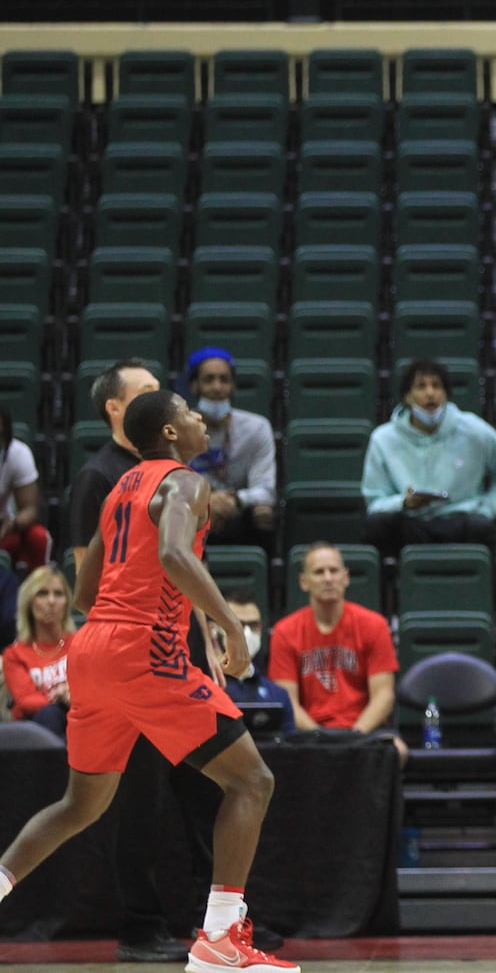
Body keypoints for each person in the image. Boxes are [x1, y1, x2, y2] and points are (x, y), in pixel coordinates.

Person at [0, 390, 297, 972]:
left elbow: (83, 592)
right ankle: (219, 940)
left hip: (92, 652)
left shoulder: (121, 490)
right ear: (167, 431)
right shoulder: (185, 481)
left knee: (78, 805)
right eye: (188, 411)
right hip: (146, 650)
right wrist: (228, 623)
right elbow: (175, 556)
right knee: (252, 782)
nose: (200, 419)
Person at [67, 356, 222, 964]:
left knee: (210, 788)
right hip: (133, 650)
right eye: (154, 394)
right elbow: (90, 583)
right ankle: (140, 923)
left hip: (168, 645)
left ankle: (221, 922)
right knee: (136, 799)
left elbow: (178, 577)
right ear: (121, 410)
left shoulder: (161, 476)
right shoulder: (101, 478)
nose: (169, 402)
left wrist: (204, 638)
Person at [361, 359, 496, 558]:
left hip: (461, 520)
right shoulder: (383, 439)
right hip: (411, 524)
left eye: (436, 386)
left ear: (446, 393)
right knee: (377, 525)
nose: (430, 393)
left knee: (482, 526)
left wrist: (488, 509)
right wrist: (403, 502)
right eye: (421, 387)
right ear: (406, 396)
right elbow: (375, 501)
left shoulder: (475, 430)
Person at [268, 543, 405, 759]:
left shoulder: (374, 625)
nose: (328, 578)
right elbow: (287, 701)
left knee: (398, 751)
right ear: (304, 582)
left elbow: (384, 695)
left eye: (334, 571)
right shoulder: (284, 632)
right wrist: (319, 738)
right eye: (319, 572)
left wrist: (354, 737)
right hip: (309, 731)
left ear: (346, 577)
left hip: (363, 729)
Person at [186, 347, 277, 549]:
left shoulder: (256, 427)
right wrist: (207, 501)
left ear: (233, 386)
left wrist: (235, 499)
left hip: (238, 510)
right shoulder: (179, 428)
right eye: (208, 379)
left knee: (264, 512)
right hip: (191, 510)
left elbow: (266, 491)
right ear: (194, 385)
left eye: (224, 379)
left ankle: (264, 576)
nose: (217, 387)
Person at [2, 566, 77, 737]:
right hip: (38, 729)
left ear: (66, 602)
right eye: (42, 593)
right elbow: (25, 700)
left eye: (58, 594)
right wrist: (61, 697)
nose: (51, 601)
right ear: (29, 602)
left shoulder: (80, 642)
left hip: (80, 720)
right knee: (49, 714)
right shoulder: (15, 654)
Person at [217, 589, 294, 735]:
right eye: (237, 625)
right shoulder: (204, 685)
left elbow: (291, 750)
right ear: (215, 629)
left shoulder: (278, 695)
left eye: (253, 626)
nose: (246, 633)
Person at [0, 406, 49, 574]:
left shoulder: (17, 453)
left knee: (38, 537)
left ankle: (38, 592)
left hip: (4, 527)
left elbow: (30, 508)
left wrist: (12, 524)